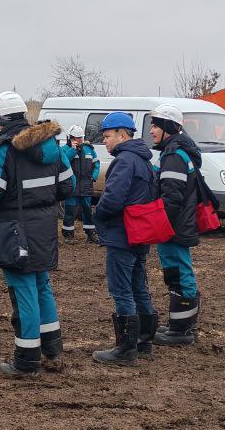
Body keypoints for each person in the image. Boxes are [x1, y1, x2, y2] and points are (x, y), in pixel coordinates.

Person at [0, 92, 72, 377]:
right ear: (25, 116)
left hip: (14, 230)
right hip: (45, 229)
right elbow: (68, 186)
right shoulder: (51, 145)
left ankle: (27, 361)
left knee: (23, 290)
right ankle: (52, 353)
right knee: (41, 285)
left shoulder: (2, 150)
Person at [90, 112, 158, 366]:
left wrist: (99, 214)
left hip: (122, 234)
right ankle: (144, 343)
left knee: (121, 290)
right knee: (139, 287)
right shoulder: (144, 160)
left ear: (122, 134)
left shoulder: (124, 161)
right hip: (141, 233)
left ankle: (126, 349)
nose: (105, 142)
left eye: (107, 137)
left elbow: (113, 198)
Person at [149, 104, 202, 346]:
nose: (151, 131)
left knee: (179, 274)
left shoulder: (173, 155)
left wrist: (159, 227)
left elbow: (172, 197)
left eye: (155, 125)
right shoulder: (178, 151)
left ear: (167, 127)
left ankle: (182, 330)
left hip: (174, 228)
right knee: (176, 273)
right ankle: (179, 324)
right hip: (177, 226)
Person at [60, 125, 100, 244]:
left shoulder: (89, 149)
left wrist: (94, 176)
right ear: (70, 138)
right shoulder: (65, 150)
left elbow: (96, 164)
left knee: (87, 210)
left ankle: (91, 234)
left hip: (86, 185)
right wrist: (73, 150)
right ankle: (68, 234)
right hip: (72, 186)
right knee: (70, 210)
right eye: (75, 138)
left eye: (80, 138)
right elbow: (64, 162)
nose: (78, 140)